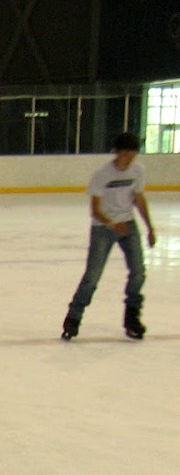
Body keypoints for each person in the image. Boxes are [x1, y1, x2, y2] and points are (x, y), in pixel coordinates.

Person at [61, 131, 155, 342]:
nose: (129, 159)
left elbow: (139, 200)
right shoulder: (102, 174)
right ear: (117, 153)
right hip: (103, 228)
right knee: (92, 277)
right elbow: (95, 210)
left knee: (138, 272)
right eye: (125, 154)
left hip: (128, 225)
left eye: (133, 154)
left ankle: (132, 317)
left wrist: (150, 228)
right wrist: (113, 224)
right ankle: (73, 318)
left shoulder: (138, 171)